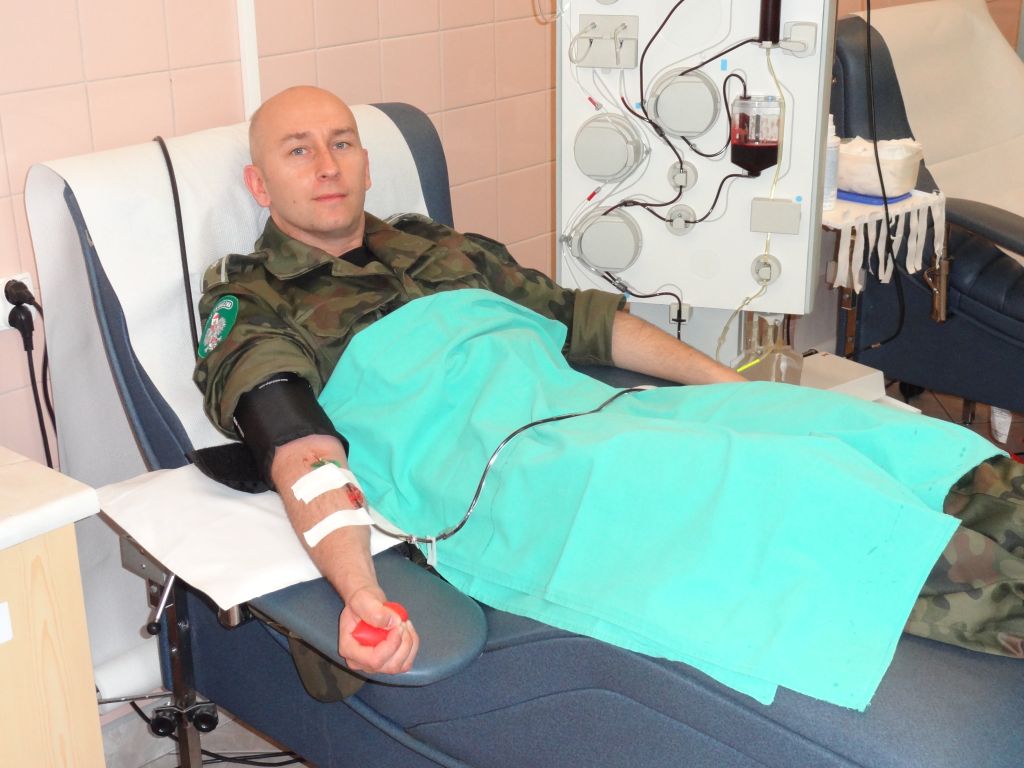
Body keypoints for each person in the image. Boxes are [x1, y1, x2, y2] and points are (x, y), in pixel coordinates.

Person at [194, 86, 1024, 682]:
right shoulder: (254, 299)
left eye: (341, 143)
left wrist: (729, 395)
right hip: (513, 477)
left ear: (367, 163)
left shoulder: (436, 246)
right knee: (790, 492)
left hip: (593, 410)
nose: (327, 165)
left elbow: (583, 322)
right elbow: (299, 449)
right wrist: (361, 593)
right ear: (261, 186)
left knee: (875, 433)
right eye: (297, 150)